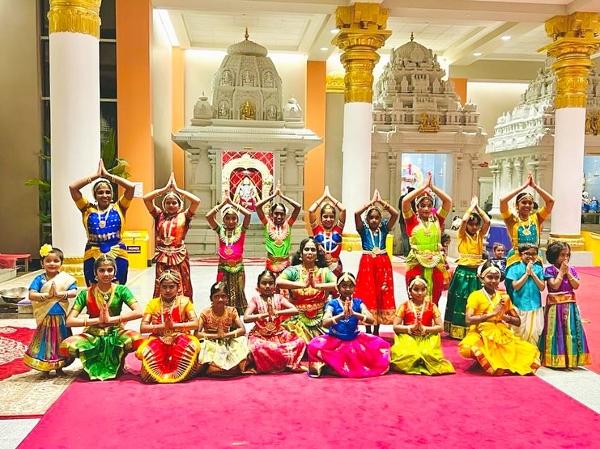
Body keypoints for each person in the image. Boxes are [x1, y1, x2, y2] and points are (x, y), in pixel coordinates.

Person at [60, 255, 143, 380]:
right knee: (67, 346)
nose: (106, 274)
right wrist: (97, 320)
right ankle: (91, 361)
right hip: (93, 334)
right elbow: (69, 321)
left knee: (137, 339)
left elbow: (139, 312)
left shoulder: (122, 290)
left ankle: (118, 360)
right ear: (95, 273)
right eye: (102, 270)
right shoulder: (86, 293)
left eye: (110, 270)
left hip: (115, 332)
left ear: (115, 272)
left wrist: (112, 320)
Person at [458, 261, 540, 376]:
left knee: (523, 353)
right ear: (481, 278)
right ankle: (485, 359)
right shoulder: (475, 296)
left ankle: (493, 361)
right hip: (480, 331)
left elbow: (518, 321)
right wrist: (492, 314)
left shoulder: (503, 297)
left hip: (501, 332)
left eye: (496, 278)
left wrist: (504, 316)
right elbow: (468, 320)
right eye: (490, 277)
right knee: (468, 347)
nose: (493, 281)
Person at [307, 272, 390, 378]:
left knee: (380, 345)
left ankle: (334, 367)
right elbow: (325, 323)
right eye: (344, 286)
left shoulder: (358, 303)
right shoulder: (332, 304)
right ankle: (334, 365)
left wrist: (354, 314)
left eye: (350, 286)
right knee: (313, 345)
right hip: (334, 341)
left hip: (354, 339)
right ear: (337, 288)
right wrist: (341, 316)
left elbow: (371, 320)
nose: (347, 289)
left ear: (354, 288)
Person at [69, 159, 135, 286]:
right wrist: (95, 176)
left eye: (108, 192)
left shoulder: (120, 207)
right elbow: (73, 188)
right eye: (100, 192)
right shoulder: (87, 208)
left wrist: (109, 176)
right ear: (95, 195)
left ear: (112, 194)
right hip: (92, 253)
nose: (104, 195)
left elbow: (131, 187)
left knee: (117, 289)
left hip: (118, 252)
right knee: (93, 289)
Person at [136, 270, 200, 383]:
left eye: (171, 287)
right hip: (158, 338)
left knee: (190, 347)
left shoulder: (184, 302)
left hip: (179, 338)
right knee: (147, 375)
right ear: (159, 287)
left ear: (178, 287)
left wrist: (174, 326)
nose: (168, 290)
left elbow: (195, 324)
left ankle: (178, 374)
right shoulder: (153, 303)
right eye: (164, 287)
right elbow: (143, 328)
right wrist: (163, 326)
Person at [143, 173, 200, 300]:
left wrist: (178, 190)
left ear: (179, 204)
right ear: (164, 204)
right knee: (162, 284)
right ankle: (161, 308)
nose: (171, 205)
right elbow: (146, 199)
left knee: (182, 283)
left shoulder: (185, 216)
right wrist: (164, 190)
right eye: (168, 202)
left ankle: (182, 308)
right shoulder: (159, 215)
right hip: (162, 257)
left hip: (179, 256)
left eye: (174, 202)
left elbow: (196, 201)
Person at [24, 245, 78, 374]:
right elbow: (31, 295)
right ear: (42, 263)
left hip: (61, 316)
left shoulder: (65, 279)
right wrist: (47, 296)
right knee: (46, 341)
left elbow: (74, 292)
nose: (52, 263)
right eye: (48, 261)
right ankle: (45, 366)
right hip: (46, 316)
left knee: (61, 339)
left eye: (56, 261)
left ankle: (60, 365)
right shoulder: (39, 279)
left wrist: (60, 294)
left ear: (61, 263)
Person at [499, 172, 554, 295]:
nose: (527, 205)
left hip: (534, 258)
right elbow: (502, 201)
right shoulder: (511, 220)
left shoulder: (537, 218)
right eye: (524, 202)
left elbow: (551, 201)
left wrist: (534, 186)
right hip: (516, 259)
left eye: (530, 203)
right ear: (517, 205)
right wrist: (523, 187)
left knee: (533, 291)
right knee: (515, 292)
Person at [402, 172, 452, 306]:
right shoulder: (411, 220)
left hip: (436, 264)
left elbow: (448, 202)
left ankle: (432, 319)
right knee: (416, 297)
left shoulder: (437, 219)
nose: (426, 208)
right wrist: (422, 188)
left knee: (435, 298)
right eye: (422, 205)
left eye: (429, 205)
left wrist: (433, 188)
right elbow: (405, 201)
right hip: (416, 263)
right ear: (417, 207)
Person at [444, 197, 490, 339]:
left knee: (475, 300)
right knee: (460, 300)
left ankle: (473, 328)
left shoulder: (479, 235)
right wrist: (471, 207)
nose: (474, 227)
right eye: (472, 225)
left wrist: (478, 208)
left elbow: (487, 221)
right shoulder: (462, 235)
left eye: (476, 225)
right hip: (463, 272)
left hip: (475, 273)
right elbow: (463, 221)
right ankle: (457, 329)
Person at [354, 190, 399, 334]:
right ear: (367, 219)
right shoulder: (363, 230)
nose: (374, 220)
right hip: (367, 264)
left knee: (381, 292)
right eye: (371, 218)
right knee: (368, 293)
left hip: (383, 263)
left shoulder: (384, 229)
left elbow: (395, 215)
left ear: (380, 219)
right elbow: (356, 214)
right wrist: (370, 203)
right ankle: (368, 328)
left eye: (377, 218)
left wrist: (382, 203)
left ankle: (376, 330)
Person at [244, 270, 306, 373]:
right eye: (264, 283)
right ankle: (282, 361)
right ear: (258, 286)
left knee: (300, 342)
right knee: (258, 347)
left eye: (271, 283)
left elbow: (295, 310)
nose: (267, 286)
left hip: (279, 335)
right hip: (260, 337)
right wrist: (265, 315)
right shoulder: (255, 300)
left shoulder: (279, 298)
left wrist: (276, 312)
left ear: (275, 285)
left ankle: (277, 360)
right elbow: (246, 318)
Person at [277, 237, 337, 342]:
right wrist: (302, 285)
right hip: (297, 319)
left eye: (313, 250)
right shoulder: (294, 271)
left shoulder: (324, 271)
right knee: (296, 344)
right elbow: (278, 282)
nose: (310, 252)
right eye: (306, 249)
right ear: (301, 254)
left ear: (317, 255)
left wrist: (317, 286)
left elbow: (337, 284)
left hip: (321, 318)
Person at [540, 242, 591, 368]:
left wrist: (568, 273)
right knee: (556, 331)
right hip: (555, 307)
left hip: (570, 306)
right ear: (554, 255)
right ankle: (555, 359)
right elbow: (554, 285)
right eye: (562, 255)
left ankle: (571, 359)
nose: (565, 258)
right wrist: (562, 272)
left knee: (571, 331)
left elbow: (576, 285)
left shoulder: (571, 269)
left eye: (567, 255)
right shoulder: (549, 270)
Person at [390, 276, 455, 375]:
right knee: (411, 354)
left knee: (427, 354)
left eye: (423, 289)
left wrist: (426, 329)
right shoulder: (404, 306)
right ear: (409, 291)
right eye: (416, 289)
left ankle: (422, 362)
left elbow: (440, 327)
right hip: (408, 337)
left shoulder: (432, 306)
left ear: (427, 290)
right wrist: (410, 328)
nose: (420, 293)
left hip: (427, 337)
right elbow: (395, 327)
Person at [206, 195, 251, 314]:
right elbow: (208, 216)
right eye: (227, 218)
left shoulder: (241, 230)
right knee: (222, 290)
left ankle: (235, 316)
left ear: (237, 219)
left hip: (238, 267)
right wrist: (222, 205)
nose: (231, 221)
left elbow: (248, 215)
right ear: (223, 220)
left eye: (234, 218)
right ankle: (223, 315)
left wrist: (233, 204)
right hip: (223, 267)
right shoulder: (220, 230)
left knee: (238, 291)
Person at [197, 281, 249, 376]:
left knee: (242, 340)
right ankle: (213, 368)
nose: (220, 299)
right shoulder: (205, 312)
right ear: (211, 298)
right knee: (204, 346)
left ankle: (223, 369)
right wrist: (215, 336)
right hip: (210, 342)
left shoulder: (231, 311)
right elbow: (196, 334)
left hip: (226, 340)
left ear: (227, 298)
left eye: (223, 296)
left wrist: (226, 335)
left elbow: (242, 330)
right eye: (216, 296)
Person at [256, 185, 301, 277]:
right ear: (271, 214)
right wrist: (273, 196)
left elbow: (298, 207)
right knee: (269, 285)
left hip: (285, 264)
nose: (279, 216)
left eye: (282, 214)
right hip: (270, 264)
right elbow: (257, 206)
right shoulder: (267, 223)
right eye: (276, 213)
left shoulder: (288, 224)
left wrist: (282, 196)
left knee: (285, 286)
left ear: (285, 215)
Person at [505, 244, 545, 346]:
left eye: (534, 254)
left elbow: (542, 287)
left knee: (534, 333)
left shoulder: (539, 269)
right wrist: (527, 274)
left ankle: (532, 352)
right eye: (527, 253)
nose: (530, 256)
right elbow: (516, 286)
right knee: (517, 332)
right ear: (520, 254)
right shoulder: (514, 269)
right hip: (520, 305)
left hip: (535, 305)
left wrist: (533, 274)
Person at [308, 186, 346, 278]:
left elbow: (343, 210)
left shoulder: (338, 229)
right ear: (321, 218)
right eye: (325, 216)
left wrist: (330, 197)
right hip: (320, 266)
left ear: (334, 218)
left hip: (336, 267)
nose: (328, 219)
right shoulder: (317, 230)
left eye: (331, 216)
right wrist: (323, 197)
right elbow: (311, 211)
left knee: (335, 286)